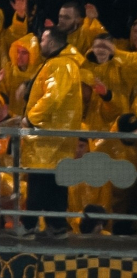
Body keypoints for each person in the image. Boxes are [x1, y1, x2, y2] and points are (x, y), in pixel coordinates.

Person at [17, 27, 83, 239]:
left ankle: (29, 226)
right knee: (55, 185)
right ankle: (56, 226)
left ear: (52, 43)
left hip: (48, 137)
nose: (40, 45)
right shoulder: (63, 64)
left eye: (43, 40)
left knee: (39, 183)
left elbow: (52, 98)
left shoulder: (60, 65)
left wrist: (31, 118)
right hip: (56, 137)